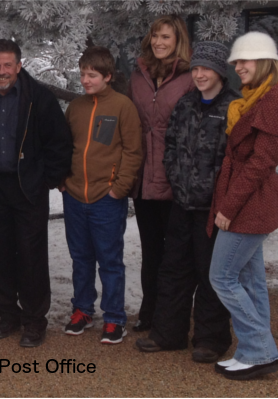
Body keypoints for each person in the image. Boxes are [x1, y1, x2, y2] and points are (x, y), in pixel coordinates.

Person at [135, 42, 238, 362]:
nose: (200, 74)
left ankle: (210, 338)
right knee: (173, 269)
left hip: (214, 209)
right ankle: (169, 332)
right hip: (182, 203)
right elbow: (171, 148)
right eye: (195, 69)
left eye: (206, 68)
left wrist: (226, 201)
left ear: (220, 70)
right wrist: (178, 182)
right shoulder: (185, 104)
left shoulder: (235, 107)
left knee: (211, 274)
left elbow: (240, 158)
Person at [209, 31, 278, 380]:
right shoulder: (256, 98)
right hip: (248, 201)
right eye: (237, 60)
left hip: (251, 204)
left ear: (265, 62)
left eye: (244, 60)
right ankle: (253, 351)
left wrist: (228, 207)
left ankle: (260, 350)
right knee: (249, 281)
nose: (237, 66)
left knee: (222, 277)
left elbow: (260, 163)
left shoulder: (276, 101)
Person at [0, 39, 73, 348]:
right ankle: (7, 316)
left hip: (27, 188)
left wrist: (48, 178)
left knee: (31, 258)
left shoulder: (38, 97)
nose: (2, 72)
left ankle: (33, 321)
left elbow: (59, 142)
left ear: (19, 65)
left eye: (8, 65)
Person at [60, 46, 142, 344]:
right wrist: (63, 180)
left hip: (106, 198)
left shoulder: (123, 106)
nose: (85, 80)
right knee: (81, 258)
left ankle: (114, 317)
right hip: (74, 196)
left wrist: (117, 188)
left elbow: (133, 151)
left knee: (109, 260)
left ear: (107, 76)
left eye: (92, 75)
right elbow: (65, 146)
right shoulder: (76, 107)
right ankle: (82, 309)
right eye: (82, 74)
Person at [127, 15, 196, 332]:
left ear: (177, 40)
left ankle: (172, 316)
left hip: (176, 179)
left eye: (166, 37)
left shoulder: (190, 77)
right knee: (150, 250)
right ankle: (149, 311)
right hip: (144, 180)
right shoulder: (138, 77)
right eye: (155, 36)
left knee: (176, 254)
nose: (158, 42)